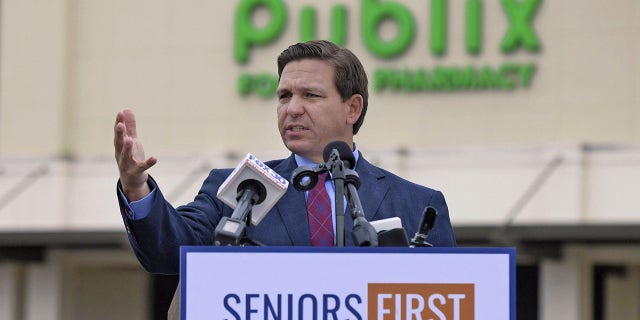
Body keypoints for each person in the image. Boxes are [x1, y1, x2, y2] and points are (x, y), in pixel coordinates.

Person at [114, 40, 456, 275]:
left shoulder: (418, 203)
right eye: (284, 96)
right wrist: (136, 187)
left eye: (310, 95)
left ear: (352, 108)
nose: (292, 108)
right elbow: (169, 252)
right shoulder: (240, 189)